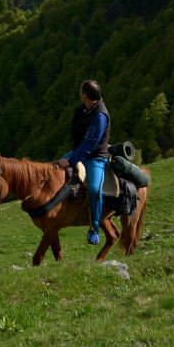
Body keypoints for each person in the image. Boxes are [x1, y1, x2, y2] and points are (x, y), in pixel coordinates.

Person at [55, 80, 111, 245]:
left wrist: (71, 160)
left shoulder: (100, 116)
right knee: (54, 168)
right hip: (80, 150)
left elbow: (90, 144)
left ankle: (94, 228)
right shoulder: (83, 110)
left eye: (81, 92)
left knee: (94, 190)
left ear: (85, 95)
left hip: (96, 156)